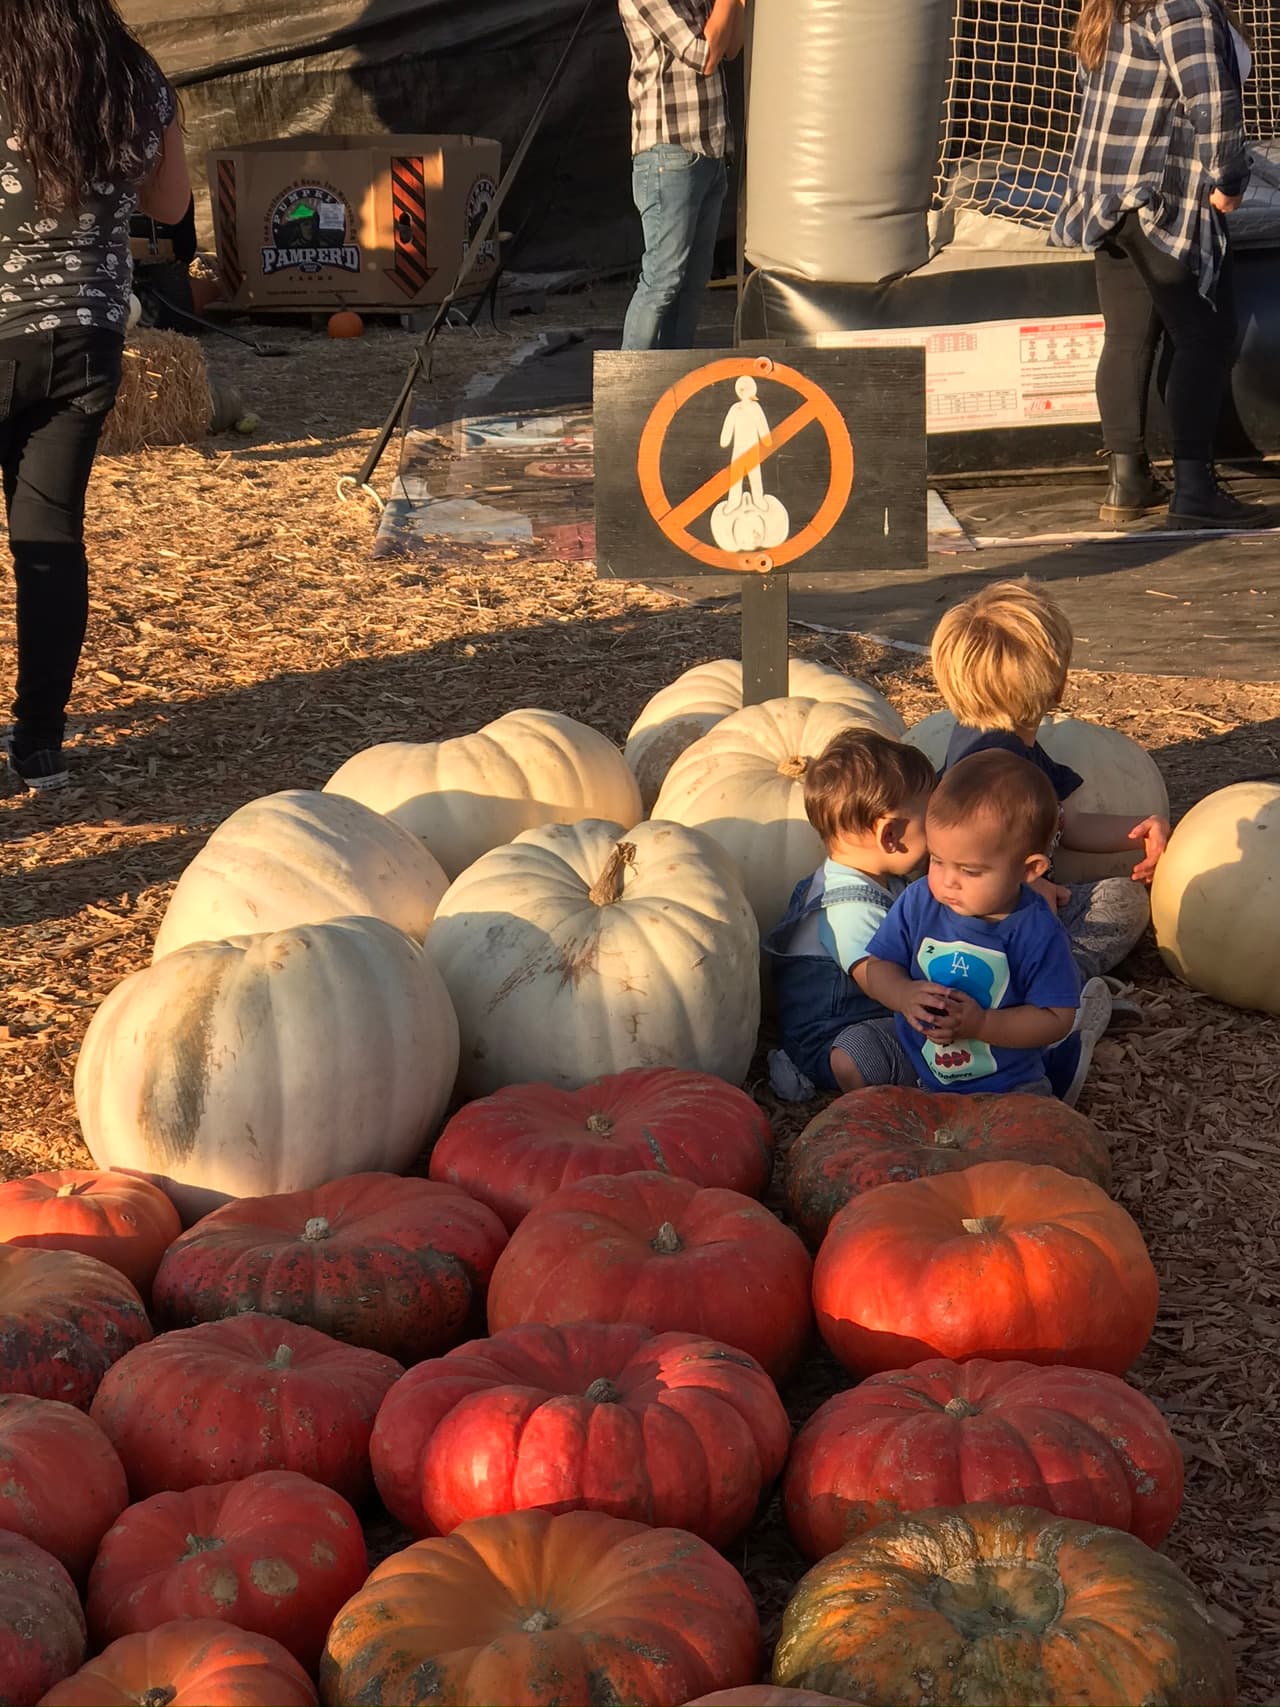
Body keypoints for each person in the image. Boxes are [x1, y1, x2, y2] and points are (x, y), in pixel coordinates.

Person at [1, 0, 191, 792]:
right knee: (51, 536)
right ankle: (40, 744)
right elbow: (171, 209)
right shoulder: (138, 76)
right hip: (86, 340)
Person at [1051, 0, 1269, 529]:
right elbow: (1210, 96)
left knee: (1127, 339)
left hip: (1106, 195)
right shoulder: (1183, 6)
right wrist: (1229, 177)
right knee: (1206, 337)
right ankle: (1194, 487)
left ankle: (1129, 484)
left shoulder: (1111, 8)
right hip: (1159, 195)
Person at [931, 580, 1165, 986]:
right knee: (1122, 903)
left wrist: (1139, 829)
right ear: (1058, 687)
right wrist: (1026, 889)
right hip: (980, 918)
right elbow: (963, 855)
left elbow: (1066, 824)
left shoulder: (1018, 752)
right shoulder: (991, 767)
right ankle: (1056, 984)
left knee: (1116, 898)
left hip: (1009, 908)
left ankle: (1034, 980)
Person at [855, 752, 1113, 1105]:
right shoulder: (919, 901)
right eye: (937, 860)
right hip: (917, 1057)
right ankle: (909, 1112)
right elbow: (880, 966)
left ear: (1030, 869)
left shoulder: (1036, 930)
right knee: (851, 1054)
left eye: (970, 871)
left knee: (1028, 1136)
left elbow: (1056, 1017)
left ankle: (1056, 1075)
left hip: (1005, 1080)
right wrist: (903, 995)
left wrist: (981, 1026)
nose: (948, 881)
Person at [764, 728, 935, 1101]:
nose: (938, 829)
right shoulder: (850, 908)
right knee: (859, 1053)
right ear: (890, 836)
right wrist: (906, 995)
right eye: (931, 819)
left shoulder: (871, 876)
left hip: (874, 1015)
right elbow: (873, 973)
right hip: (834, 1038)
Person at [618, 0, 744, 351]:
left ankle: (670, 387)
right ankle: (629, 392)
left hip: (709, 149)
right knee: (663, 279)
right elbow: (702, 55)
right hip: (669, 152)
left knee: (691, 284)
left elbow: (731, 46)